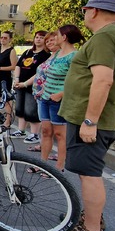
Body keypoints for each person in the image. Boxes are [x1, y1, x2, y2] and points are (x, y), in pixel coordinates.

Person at [61, 0, 115, 231]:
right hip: (103, 118)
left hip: (93, 120)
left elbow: (103, 79)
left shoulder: (105, 36)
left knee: (89, 174)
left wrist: (90, 121)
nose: (84, 14)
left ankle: (92, 230)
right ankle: (93, 219)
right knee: (90, 172)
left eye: (85, 10)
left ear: (93, 10)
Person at [37, 25, 84, 173]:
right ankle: (42, 164)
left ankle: (59, 167)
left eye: (57, 35)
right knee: (45, 131)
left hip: (58, 101)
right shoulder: (57, 54)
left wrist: (60, 94)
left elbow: (78, 82)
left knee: (59, 134)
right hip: (45, 98)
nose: (54, 38)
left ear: (64, 37)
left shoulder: (75, 56)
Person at [12, 31, 50, 145]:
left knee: (31, 110)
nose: (38, 39)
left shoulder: (46, 55)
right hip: (20, 84)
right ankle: (21, 130)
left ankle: (34, 134)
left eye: (42, 37)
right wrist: (17, 79)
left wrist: (26, 83)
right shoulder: (28, 52)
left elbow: (40, 72)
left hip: (33, 86)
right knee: (20, 108)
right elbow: (18, 65)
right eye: (37, 37)